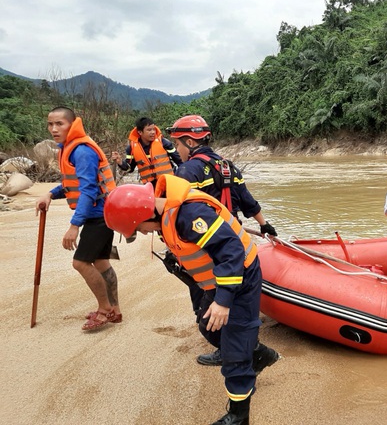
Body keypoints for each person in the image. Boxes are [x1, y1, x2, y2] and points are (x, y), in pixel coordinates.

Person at [104, 174, 278, 425]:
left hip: (240, 276)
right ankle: (258, 354)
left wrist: (224, 301)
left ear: (144, 215)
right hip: (218, 278)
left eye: (138, 229)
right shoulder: (165, 214)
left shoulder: (190, 215)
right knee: (209, 326)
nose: (142, 233)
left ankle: (239, 417)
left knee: (235, 351)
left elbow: (232, 252)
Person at [166, 114, 278, 367]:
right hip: (235, 240)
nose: (178, 151)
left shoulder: (187, 170)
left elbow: (175, 209)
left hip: (208, 244)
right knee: (235, 301)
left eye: (179, 145)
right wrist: (264, 224)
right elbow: (247, 201)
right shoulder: (227, 166)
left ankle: (239, 350)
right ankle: (240, 345)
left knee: (207, 301)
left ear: (189, 142)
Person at [35, 106, 122, 331]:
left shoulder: (81, 151)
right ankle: (115, 309)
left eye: (59, 124)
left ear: (72, 124)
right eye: (50, 124)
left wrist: (74, 225)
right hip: (103, 214)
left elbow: (89, 190)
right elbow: (70, 184)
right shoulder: (69, 148)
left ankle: (104, 310)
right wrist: (50, 194)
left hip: (98, 216)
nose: (53, 129)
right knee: (101, 262)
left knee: (80, 262)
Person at [111, 116, 182, 187]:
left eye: (154, 129)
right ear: (140, 132)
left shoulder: (164, 143)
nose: (153, 132)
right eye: (149, 130)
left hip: (169, 183)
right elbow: (129, 168)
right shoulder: (132, 148)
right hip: (150, 187)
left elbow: (179, 161)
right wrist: (119, 162)